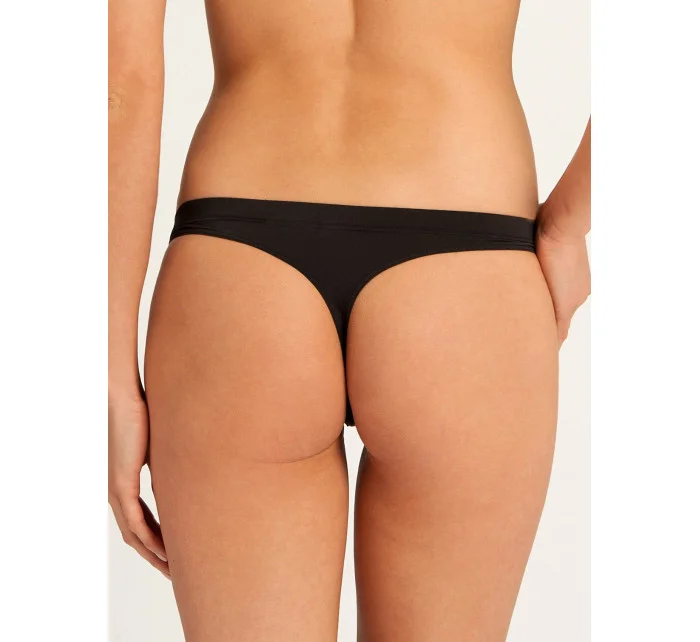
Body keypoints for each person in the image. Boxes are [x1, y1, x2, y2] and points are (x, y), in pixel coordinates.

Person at [108, 0, 590, 639]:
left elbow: (121, 84)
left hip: (239, 266)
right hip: (466, 261)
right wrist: (567, 226)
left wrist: (112, 371)